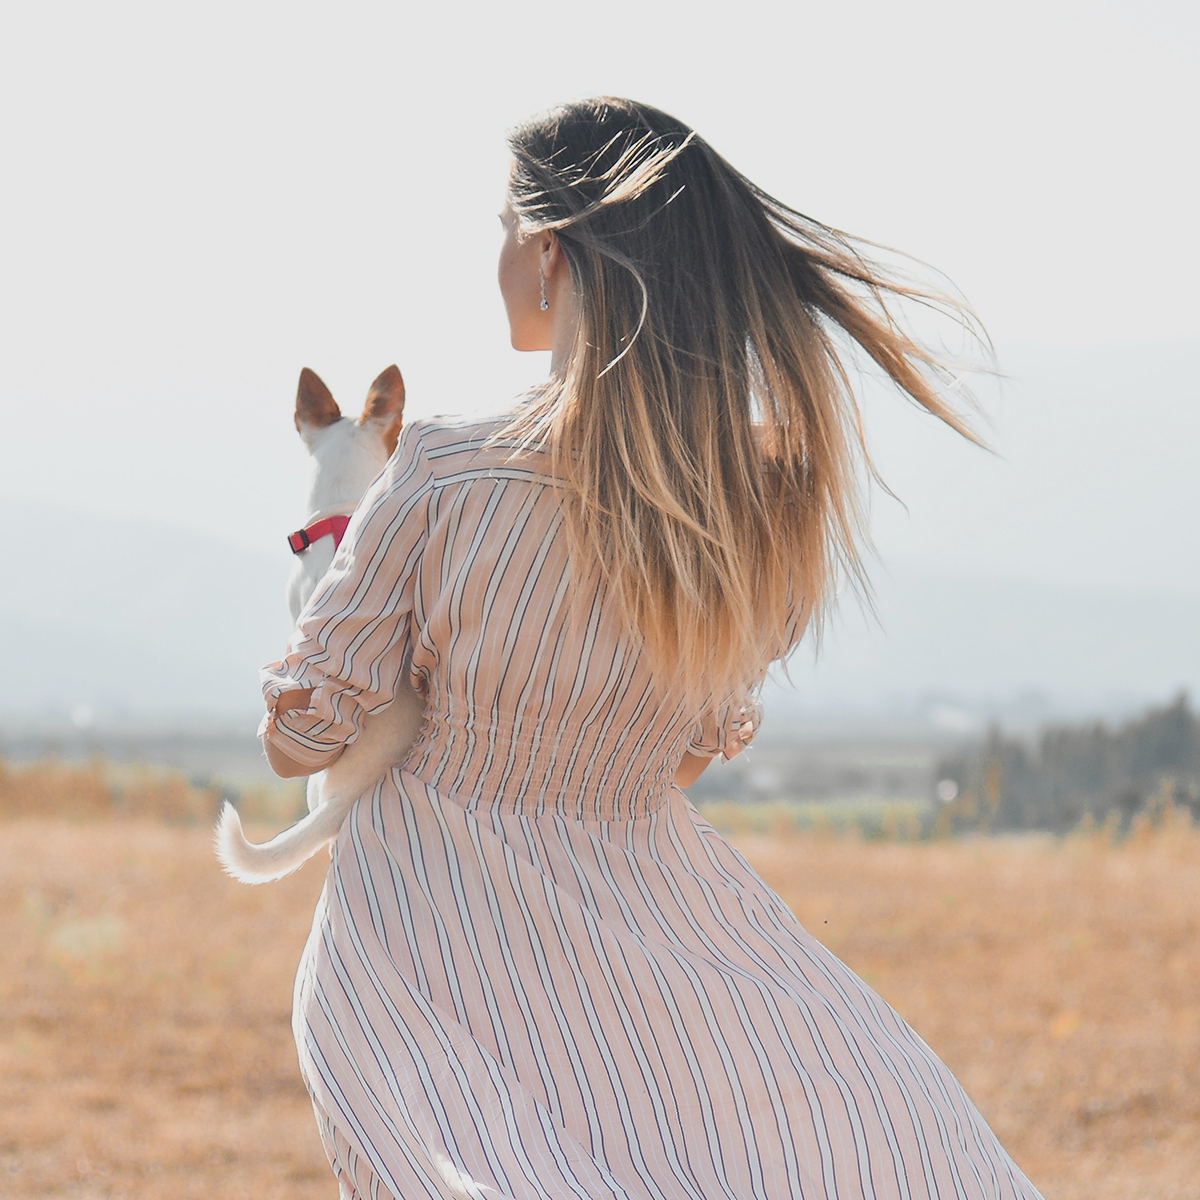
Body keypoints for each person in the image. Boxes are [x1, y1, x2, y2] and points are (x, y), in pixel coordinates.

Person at [259, 97, 1041, 1200]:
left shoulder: (443, 468)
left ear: (549, 255)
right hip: (662, 931)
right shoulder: (755, 494)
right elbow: (679, 756)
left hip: (424, 944)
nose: (499, 255)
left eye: (505, 229)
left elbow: (300, 740)